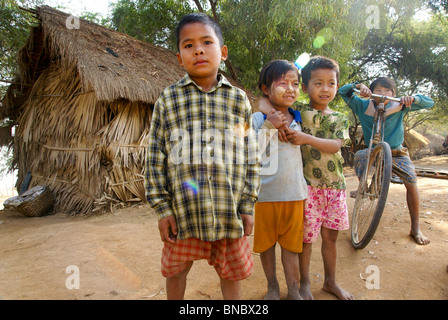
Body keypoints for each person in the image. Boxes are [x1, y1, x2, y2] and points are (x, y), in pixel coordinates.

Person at [144, 13, 261, 300]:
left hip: (228, 210)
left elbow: (250, 154)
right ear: (179, 57)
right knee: (175, 272)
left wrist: (247, 204)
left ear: (222, 52)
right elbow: (155, 156)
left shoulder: (238, 99)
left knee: (231, 274)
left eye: (206, 42)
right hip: (184, 213)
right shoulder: (168, 100)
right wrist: (163, 209)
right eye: (188, 45)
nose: (198, 50)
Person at [259, 56, 354, 300]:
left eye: (331, 84)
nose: (325, 89)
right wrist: (270, 116)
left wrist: (306, 139)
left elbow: (335, 145)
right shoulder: (299, 112)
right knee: (305, 241)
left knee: (330, 238)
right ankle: (303, 285)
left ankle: (330, 282)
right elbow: (265, 102)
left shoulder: (334, 118)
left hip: (334, 187)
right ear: (306, 88)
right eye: (317, 83)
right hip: (307, 188)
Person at [339, 77, 434, 245]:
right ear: (371, 92)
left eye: (387, 91)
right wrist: (359, 86)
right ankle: (364, 187)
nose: (383, 94)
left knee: (411, 182)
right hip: (373, 150)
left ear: (393, 94)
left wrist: (413, 99)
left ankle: (415, 228)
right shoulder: (362, 105)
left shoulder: (400, 106)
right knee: (360, 157)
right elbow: (342, 92)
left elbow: (429, 103)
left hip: (397, 152)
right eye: (379, 90)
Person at [252, 59, 308, 300]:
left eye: (295, 83)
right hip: (264, 195)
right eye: (282, 83)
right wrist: (269, 123)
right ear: (266, 89)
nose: (290, 89)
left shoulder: (300, 119)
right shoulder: (256, 119)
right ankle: (272, 286)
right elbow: (251, 152)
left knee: (291, 246)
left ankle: (293, 290)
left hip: (295, 194)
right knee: (266, 246)